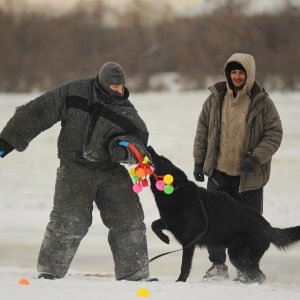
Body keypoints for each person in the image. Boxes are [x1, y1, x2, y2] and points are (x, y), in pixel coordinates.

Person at [0, 62, 156, 281]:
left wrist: (123, 148)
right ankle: (49, 273)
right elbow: (39, 110)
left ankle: (135, 276)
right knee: (70, 220)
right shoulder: (74, 92)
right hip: (74, 168)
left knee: (129, 219)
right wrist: (7, 141)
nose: (119, 91)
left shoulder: (127, 112)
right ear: (101, 83)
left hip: (110, 171)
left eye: (122, 86)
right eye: (114, 87)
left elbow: (140, 145)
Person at [193, 53, 283, 281]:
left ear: (249, 74)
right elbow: (203, 131)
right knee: (213, 220)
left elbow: (274, 133)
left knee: (249, 224)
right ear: (227, 73)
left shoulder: (262, 102)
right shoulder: (215, 98)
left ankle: (247, 268)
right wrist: (199, 161)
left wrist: (256, 157)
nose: (237, 76)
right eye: (233, 72)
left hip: (249, 176)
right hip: (219, 172)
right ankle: (218, 266)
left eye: (241, 72)